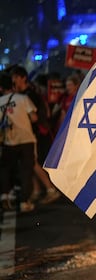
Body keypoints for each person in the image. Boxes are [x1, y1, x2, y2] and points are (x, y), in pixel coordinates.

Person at [10, 65, 61, 205]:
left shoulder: (30, 94)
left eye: (15, 77)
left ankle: (51, 189)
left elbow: (35, 116)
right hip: (27, 134)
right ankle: (37, 191)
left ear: (23, 78)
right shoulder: (22, 95)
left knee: (33, 163)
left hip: (35, 133)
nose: (13, 80)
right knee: (28, 164)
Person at [0, 73, 38, 212]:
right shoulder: (22, 98)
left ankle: (4, 196)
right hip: (26, 139)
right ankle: (24, 201)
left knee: (5, 169)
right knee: (26, 170)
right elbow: (34, 117)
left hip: (9, 141)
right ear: (12, 85)